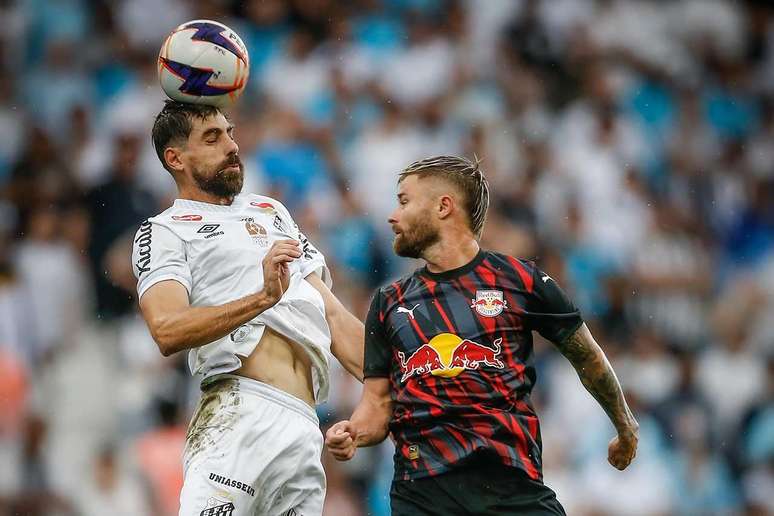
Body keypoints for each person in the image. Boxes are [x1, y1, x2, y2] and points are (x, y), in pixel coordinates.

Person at [325, 156, 639, 515]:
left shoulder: (520, 281)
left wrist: (624, 424)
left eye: (404, 201)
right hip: (423, 493)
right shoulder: (388, 301)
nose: (392, 216)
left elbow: (587, 357)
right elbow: (378, 405)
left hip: (510, 487)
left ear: (444, 206)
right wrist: (354, 431)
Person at [132, 100, 364, 516]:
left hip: (304, 428)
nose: (232, 145)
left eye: (230, 132)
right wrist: (261, 298)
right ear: (175, 158)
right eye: (212, 137)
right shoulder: (164, 230)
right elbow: (166, 330)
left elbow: (332, 314)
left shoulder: (271, 211)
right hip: (237, 416)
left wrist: (397, 388)